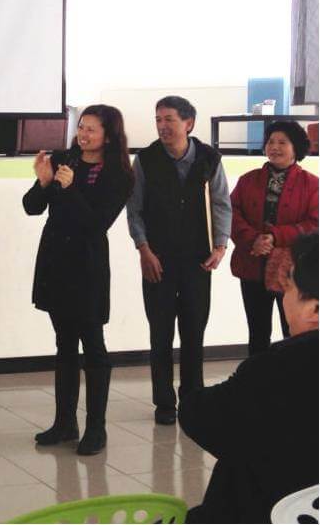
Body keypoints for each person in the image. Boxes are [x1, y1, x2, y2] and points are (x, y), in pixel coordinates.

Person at [181, 232, 319, 524]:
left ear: (315, 309)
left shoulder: (278, 368)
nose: (284, 297)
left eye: (288, 288)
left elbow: (197, 416)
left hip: (266, 512)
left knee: (243, 455)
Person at [23, 105, 134, 456]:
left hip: (87, 265)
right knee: (64, 344)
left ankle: (96, 428)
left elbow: (96, 224)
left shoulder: (119, 173)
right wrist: (44, 181)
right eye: (81, 127)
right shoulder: (63, 159)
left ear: (109, 136)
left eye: (91, 129)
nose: (82, 134)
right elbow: (31, 206)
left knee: (94, 346)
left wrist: (69, 189)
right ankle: (64, 423)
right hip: (56, 260)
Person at [126, 95, 232, 425]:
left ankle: (192, 397)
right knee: (160, 332)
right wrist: (143, 249)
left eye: (169, 119)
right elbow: (134, 208)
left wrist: (220, 246)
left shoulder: (209, 159)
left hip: (198, 259)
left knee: (194, 330)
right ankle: (164, 402)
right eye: (158, 119)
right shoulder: (146, 159)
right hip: (157, 259)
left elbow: (221, 203)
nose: (162, 126)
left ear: (189, 123)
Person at [229, 120, 318, 355]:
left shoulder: (312, 184)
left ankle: (294, 377)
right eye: (270, 142)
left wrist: (275, 237)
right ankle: (258, 377)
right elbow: (231, 213)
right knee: (257, 331)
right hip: (252, 265)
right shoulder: (248, 180)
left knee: (294, 332)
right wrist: (254, 240)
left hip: (292, 271)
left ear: (296, 148)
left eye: (282, 142)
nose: (274, 147)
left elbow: (315, 223)